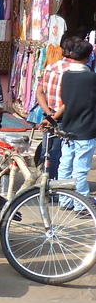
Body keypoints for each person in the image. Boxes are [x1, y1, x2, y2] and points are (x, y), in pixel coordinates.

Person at [36, 36, 82, 179]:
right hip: (65, 118)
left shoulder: (51, 67)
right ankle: (56, 187)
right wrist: (54, 117)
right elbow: (70, 101)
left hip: (49, 115)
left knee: (47, 150)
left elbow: (39, 92)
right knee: (62, 154)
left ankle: (46, 182)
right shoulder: (77, 70)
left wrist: (49, 113)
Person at [56, 38, 96, 198]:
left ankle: (64, 199)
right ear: (88, 56)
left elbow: (64, 100)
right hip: (85, 129)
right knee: (80, 167)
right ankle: (81, 202)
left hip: (67, 126)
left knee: (65, 164)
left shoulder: (66, 75)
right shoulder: (91, 78)